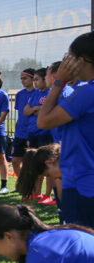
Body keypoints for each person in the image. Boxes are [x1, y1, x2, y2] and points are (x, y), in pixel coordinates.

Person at [37, 31, 94, 230]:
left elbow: (43, 121)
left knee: (81, 245)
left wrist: (58, 82)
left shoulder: (87, 93)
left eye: (68, 58)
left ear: (79, 61)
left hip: (83, 183)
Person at [24, 68, 54, 204]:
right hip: (33, 133)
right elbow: (26, 111)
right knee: (35, 165)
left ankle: (48, 195)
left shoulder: (51, 93)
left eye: (37, 79)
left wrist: (35, 109)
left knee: (48, 165)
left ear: (44, 79)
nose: (34, 83)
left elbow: (47, 110)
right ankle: (37, 193)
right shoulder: (34, 94)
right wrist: (36, 109)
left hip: (45, 134)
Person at [11, 68, 36, 181]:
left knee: (31, 163)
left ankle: (32, 188)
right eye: (21, 79)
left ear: (33, 78)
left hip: (33, 132)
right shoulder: (20, 94)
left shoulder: (38, 94)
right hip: (20, 132)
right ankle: (23, 184)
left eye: (25, 78)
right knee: (15, 161)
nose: (22, 81)